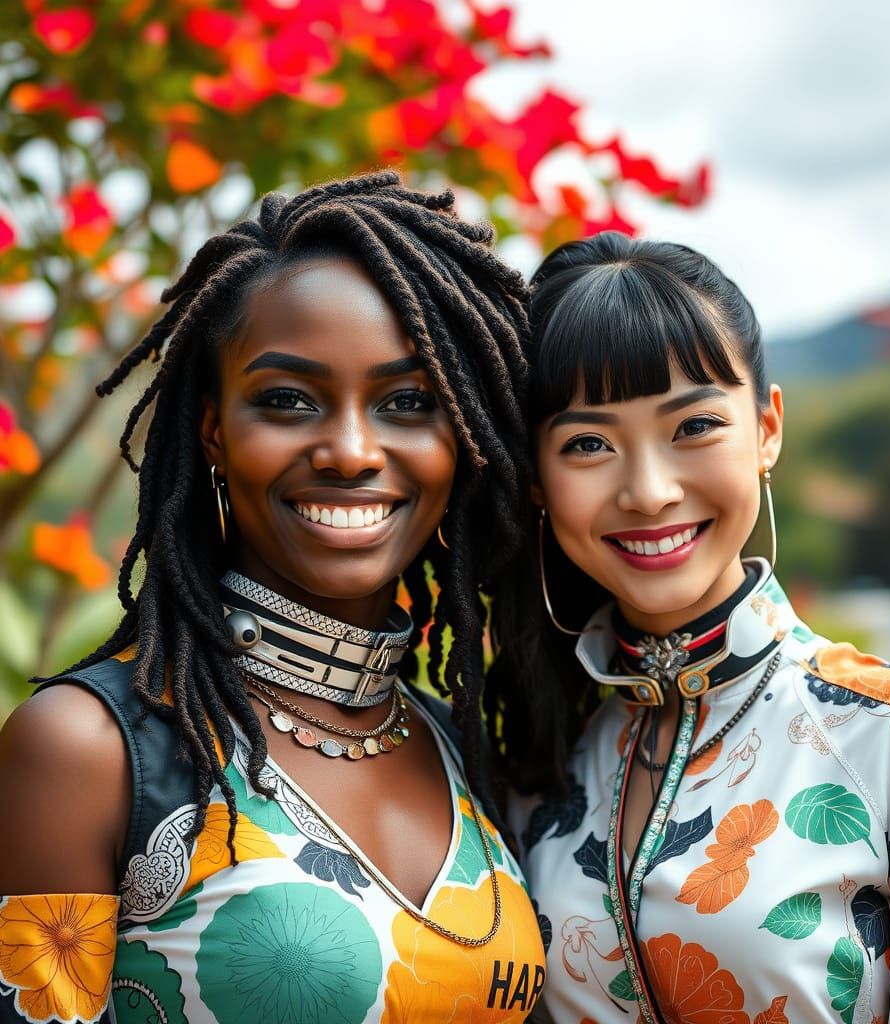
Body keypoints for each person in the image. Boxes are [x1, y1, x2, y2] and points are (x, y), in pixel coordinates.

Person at [0, 171, 547, 1024]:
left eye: (409, 402)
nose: (352, 450)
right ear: (215, 431)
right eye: (287, 400)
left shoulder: (462, 748)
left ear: (465, 438)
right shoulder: (89, 753)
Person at [487, 231, 890, 1023]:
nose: (649, 490)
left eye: (693, 426)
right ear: (537, 479)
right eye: (589, 444)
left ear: (767, 429)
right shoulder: (549, 754)